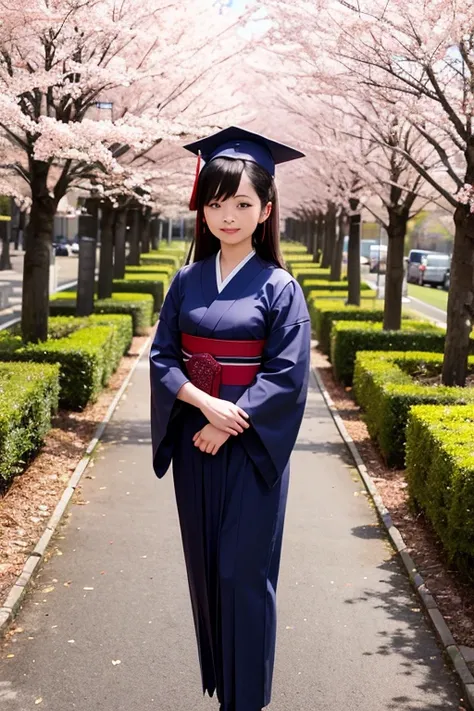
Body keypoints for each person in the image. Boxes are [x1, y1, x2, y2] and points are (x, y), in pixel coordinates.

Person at [149, 126, 311, 711]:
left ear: (266, 210)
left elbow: (287, 376)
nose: (229, 215)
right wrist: (201, 403)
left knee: (243, 575)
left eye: (243, 203)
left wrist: (229, 419)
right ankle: (223, 687)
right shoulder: (188, 280)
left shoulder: (281, 288)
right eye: (216, 203)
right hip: (196, 442)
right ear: (203, 208)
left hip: (249, 451)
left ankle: (246, 701)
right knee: (206, 568)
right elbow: (163, 355)